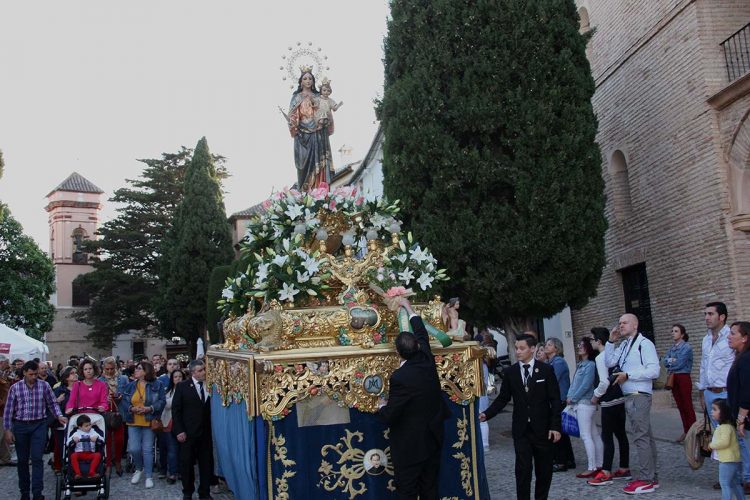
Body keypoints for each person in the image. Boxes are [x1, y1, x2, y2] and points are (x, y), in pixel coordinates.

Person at [377, 297, 451, 500]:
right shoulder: (427, 360)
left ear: (397, 352)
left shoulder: (400, 377)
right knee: (429, 488)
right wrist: (408, 307)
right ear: (418, 346)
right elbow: (421, 331)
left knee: (407, 490)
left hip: (410, 446)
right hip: (433, 438)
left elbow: (391, 415)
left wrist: (381, 406)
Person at [481, 334, 562, 500]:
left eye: (522, 348)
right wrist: (486, 414)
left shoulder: (546, 370)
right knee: (523, 471)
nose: (518, 351)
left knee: (544, 471)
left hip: (543, 430)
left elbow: (555, 400)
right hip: (521, 431)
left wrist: (555, 426)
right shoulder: (511, 373)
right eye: (516, 348)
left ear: (532, 349)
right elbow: (503, 398)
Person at [605, 314, 660, 494]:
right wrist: (611, 342)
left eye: (625, 322)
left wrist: (629, 375)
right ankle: (652, 475)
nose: (621, 325)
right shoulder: (624, 345)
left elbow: (654, 370)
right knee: (645, 435)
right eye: (619, 322)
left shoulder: (645, 344)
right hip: (629, 394)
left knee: (640, 436)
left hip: (639, 394)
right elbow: (610, 362)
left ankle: (646, 478)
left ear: (635, 325)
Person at [3, 360, 67, 500]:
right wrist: (7, 429)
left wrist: (59, 416)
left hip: (39, 425)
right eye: (31, 374)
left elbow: (52, 403)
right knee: (23, 460)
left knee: (38, 459)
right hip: (20, 426)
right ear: (25, 373)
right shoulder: (16, 388)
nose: (34, 377)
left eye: (36, 374)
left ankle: (38, 493)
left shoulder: (44, 386)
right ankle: (24, 493)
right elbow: (8, 410)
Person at [587, 327, 630, 487]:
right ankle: (624, 467)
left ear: (598, 341)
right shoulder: (614, 354)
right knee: (621, 434)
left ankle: (606, 471)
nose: (590, 342)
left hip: (608, 400)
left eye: (592, 339)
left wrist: (595, 396)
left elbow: (604, 381)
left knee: (607, 436)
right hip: (619, 398)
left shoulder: (601, 357)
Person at [172, 359, 214, 500]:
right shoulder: (182, 387)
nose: (203, 372)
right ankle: (188, 491)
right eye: (200, 370)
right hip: (188, 433)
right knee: (187, 463)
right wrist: (179, 430)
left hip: (206, 433)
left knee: (206, 463)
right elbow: (176, 410)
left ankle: (205, 492)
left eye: (204, 369)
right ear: (192, 373)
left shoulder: (211, 386)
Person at [119, 360, 165, 489]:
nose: (136, 370)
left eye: (139, 368)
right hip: (133, 420)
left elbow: (162, 401)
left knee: (147, 449)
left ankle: (149, 475)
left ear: (146, 371)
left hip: (149, 420)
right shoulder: (130, 385)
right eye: (136, 368)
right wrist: (131, 409)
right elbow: (124, 401)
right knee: (134, 448)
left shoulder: (158, 384)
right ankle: (139, 469)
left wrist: (150, 408)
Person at [287, 69, 334, 190]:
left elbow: (327, 111)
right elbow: (292, 115)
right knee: (302, 166)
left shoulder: (319, 96)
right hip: (302, 135)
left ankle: (320, 192)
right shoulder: (296, 97)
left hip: (318, 133)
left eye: (310, 78)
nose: (308, 81)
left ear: (313, 81)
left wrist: (325, 120)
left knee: (320, 164)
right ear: (300, 82)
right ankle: (304, 193)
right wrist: (292, 123)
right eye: (305, 78)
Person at [566, 337, 603, 479]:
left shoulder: (590, 365)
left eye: (582, 345)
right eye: (579, 345)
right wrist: (570, 396)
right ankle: (599, 464)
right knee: (593, 434)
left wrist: (573, 398)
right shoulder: (582, 364)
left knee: (586, 436)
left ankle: (592, 467)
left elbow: (586, 385)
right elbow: (575, 383)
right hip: (581, 403)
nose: (579, 347)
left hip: (584, 404)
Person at [544, 338, 575, 472]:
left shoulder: (558, 362)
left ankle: (562, 461)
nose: (546, 346)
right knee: (562, 432)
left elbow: (551, 380)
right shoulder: (549, 362)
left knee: (559, 432)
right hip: (555, 400)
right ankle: (568, 459)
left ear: (556, 348)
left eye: (549, 345)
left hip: (559, 400)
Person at [661, 324, 696, 441]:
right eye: (672, 331)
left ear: (682, 334)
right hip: (674, 378)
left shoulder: (686, 347)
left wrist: (670, 361)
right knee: (680, 406)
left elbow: (679, 363)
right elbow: (664, 361)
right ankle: (686, 431)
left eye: (676, 331)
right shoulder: (672, 348)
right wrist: (671, 360)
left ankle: (693, 432)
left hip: (683, 377)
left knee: (687, 405)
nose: (673, 333)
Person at [727, 321, 750, 495]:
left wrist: (741, 418)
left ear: (744, 338)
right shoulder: (741, 357)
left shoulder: (746, 359)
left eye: (733, 333)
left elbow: (747, 390)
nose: (729, 336)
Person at [709, 398, 745, 500]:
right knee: (735, 482)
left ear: (723, 412)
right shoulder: (729, 426)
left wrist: (711, 445)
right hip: (734, 459)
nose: (712, 411)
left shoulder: (724, 427)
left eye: (715, 409)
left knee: (724, 483)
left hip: (727, 460)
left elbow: (724, 442)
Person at [99, 356, 128, 476]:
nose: (110, 371)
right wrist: (106, 398)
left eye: (112, 368)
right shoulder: (100, 380)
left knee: (119, 439)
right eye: (107, 369)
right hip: (106, 412)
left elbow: (129, 393)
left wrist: (121, 396)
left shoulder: (123, 378)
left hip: (119, 411)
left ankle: (118, 460)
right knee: (107, 439)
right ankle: (109, 464)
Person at [156, 357, 181, 478]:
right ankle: (165, 469)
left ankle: (175, 471)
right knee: (165, 446)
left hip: (180, 420)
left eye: (175, 364)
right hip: (166, 419)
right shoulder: (161, 380)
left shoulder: (185, 382)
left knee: (175, 448)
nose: (172, 366)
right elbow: (164, 402)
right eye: (170, 364)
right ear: (166, 366)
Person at [161, 368, 185, 485]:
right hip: (169, 423)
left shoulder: (188, 390)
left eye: (180, 377)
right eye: (175, 377)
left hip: (184, 424)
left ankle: (182, 471)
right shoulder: (168, 391)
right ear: (172, 379)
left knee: (183, 449)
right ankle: (172, 472)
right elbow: (167, 405)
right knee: (172, 449)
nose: (178, 379)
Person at [52, 367, 78, 472]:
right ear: (66, 377)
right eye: (72, 373)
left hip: (77, 420)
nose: (75, 375)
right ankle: (58, 466)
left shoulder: (81, 387)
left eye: (76, 373)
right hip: (62, 421)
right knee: (60, 445)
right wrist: (57, 401)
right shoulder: (59, 390)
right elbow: (51, 405)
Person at [69, 414, 103, 479]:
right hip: (80, 453)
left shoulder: (93, 432)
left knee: (98, 455)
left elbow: (102, 440)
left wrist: (97, 438)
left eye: (90, 424)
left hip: (90, 453)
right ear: (80, 427)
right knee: (73, 456)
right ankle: (78, 473)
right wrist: (73, 439)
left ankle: (92, 472)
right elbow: (68, 442)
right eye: (86, 426)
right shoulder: (76, 433)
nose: (89, 427)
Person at [0, 354, 14, 466]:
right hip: (1, 409)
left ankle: (6, 458)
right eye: (6, 362)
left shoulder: (4, 375)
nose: (8, 365)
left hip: (4, 409)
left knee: (4, 435)